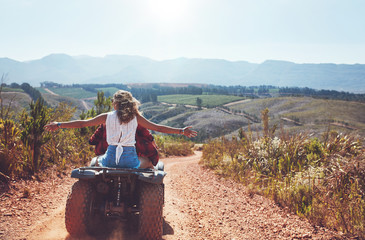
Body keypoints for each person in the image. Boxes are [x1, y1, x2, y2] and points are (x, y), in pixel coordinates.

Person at [45, 90, 197, 169]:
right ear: (130, 103)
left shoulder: (106, 116)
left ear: (115, 104)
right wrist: (181, 131)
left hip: (110, 159)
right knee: (151, 164)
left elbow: (82, 124)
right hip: (130, 161)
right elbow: (158, 128)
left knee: (95, 161)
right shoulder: (136, 117)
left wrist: (59, 124)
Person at [89, 123, 159, 168]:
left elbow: (92, 141)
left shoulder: (106, 123)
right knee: (149, 164)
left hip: (108, 160)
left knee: (95, 163)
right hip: (132, 160)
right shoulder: (136, 122)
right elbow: (149, 137)